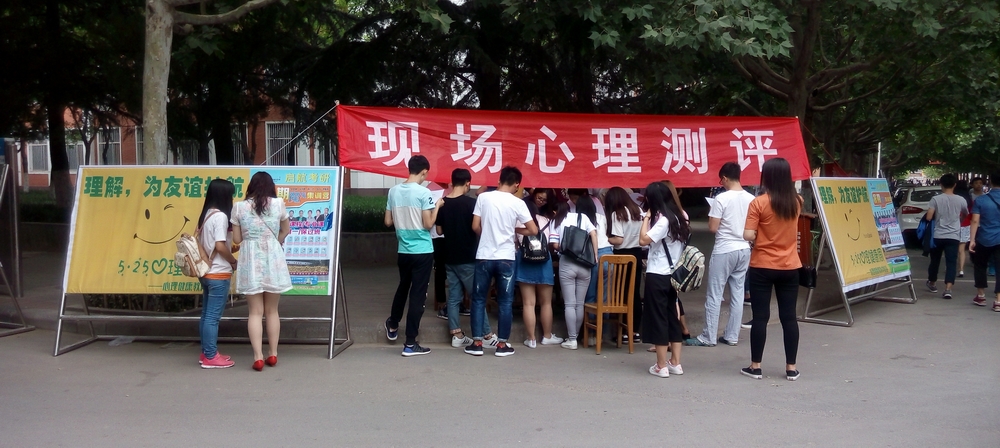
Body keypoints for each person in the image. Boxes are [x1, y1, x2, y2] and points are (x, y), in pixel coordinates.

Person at [465, 166, 537, 357]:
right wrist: (515, 230)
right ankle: (502, 345)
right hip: (506, 257)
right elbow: (533, 230)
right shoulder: (518, 203)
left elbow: (475, 226)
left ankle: (477, 343)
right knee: (505, 302)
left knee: (479, 299)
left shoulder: (483, 198)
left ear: (499, 180)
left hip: (484, 256)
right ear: (517, 184)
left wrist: (487, 236)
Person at [741, 158, 802, 381]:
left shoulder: (758, 203)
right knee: (789, 317)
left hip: (762, 265)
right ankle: (791, 368)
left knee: (760, 317)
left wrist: (760, 234)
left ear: (766, 177)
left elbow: (748, 234)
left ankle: (755, 366)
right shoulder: (797, 201)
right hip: (790, 265)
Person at [231, 172, 293, 371]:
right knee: (272, 311)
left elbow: (237, 239)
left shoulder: (239, 207)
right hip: (273, 258)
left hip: (250, 260)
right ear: (270, 187)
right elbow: (286, 230)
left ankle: (258, 357)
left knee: (255, 312)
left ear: (251, 186)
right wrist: (275, 241)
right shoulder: (278, 204)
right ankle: (273, 354)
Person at [688, 162, 754, 348]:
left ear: (724, 178)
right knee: (738, 293)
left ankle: (709, 336)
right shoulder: (751, 199)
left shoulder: (721, 199)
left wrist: (712, 214)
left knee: (715, 294)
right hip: (744, 248)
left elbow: (713, 227)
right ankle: (732, 335)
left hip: (725, 249)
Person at [383, 155, 444, 357]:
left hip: (403, 250)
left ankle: (393, 324)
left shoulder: (393, 191)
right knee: (418, 295)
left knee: (403, 287)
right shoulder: (424, 193)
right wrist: (437, 206)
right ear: (424, 172)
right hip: (423, 251)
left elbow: (388, 222)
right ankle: (410, 342)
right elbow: (428, 224)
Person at [638, 181, 690, 377]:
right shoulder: (681, 217)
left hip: (658, 274)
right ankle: (675, 362)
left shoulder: (664, 221)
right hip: (674, 275)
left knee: (658, 318)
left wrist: (646, 218)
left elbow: (643, 240)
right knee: (671, 317)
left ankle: (661, 365)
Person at [435, 168, 489, 347]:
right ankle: (486, 334)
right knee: (477, 297)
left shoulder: (443, 203)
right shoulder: (472, 203)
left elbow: (439, 231)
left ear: (452, 182)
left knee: (453, 297)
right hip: (468, 257)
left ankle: (456, 335)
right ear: (467, 183)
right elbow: (477, 227)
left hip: (449, 256)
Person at [196, 179, 238, 369]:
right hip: (218, 273)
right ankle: (211, 356)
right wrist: (233, 261)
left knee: (206, 315)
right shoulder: (220, 216)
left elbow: (212, 244)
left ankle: (206, 352)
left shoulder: (206, 214)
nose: (232, 199)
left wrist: (229, 249)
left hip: (206, 272)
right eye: (230, 195)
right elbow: (220, 246)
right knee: (212, 317)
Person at [550, 199, 599, 350]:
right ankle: (575, 336)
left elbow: (555, 244)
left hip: (567, 262)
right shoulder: (583, 217)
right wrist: (595, 256)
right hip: (585, 263)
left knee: (569, 304)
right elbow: (593, 234)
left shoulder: (556, 220)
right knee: (579, 303)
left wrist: (567, 247)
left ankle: (572, 340)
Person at [516, 199, 563, 348]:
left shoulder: (517, 222)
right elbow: (551, 243)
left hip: (525, 261)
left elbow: (515, 244)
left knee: (528, 303)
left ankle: (531, 339)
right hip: (544, 261)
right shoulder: (546, 221)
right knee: (546, 303)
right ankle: (547, 336)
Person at [604, 186, 644, 342]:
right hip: (637, 254)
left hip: (622, 256)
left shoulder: (617, 213)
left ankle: (623, 331)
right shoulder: (638, 211)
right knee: (634, 293)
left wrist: (605, 238)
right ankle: (635, 331)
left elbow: (618, 239)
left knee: (620, 294)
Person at [924, 174, 969, 299]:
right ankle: (948, 289)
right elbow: (966, 214)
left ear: (941, 185)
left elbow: (929, 217)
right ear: (955, 185)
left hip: (938, 235)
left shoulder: (935, 199)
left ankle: (932, 283)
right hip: (954, 235)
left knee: (935, 261)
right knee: (951, 262)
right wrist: (959, 220)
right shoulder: (961, 200)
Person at [969, 172, 1000, 310]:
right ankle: (998, 301)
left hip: (984, 237)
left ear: (990, 182)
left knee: (980, 266)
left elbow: (975, 221)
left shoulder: (981, 200)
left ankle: (981, 295)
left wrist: (972, 240)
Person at [955, 180, 973, 277]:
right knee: (962, 250)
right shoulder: (968, 199)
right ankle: (961, 269)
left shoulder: (954, 198)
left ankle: (950, 267)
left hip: (953, 225)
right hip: (965, 225)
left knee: (952, 248)